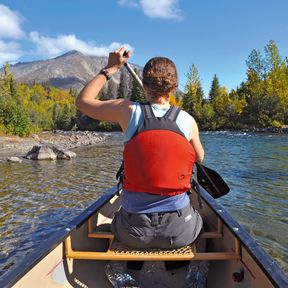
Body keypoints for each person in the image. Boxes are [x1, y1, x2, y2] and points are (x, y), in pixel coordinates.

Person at [76, 47, 206, 287]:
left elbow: (83, 102)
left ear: (144, 86)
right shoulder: (187, 120)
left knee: (113, 221)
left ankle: (118, 267)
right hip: (179, 232)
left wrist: (111, 68)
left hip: (133, 232)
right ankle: (196, 269)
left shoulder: (127, 111)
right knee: (202, 222)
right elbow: (199, 157)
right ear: (173, 88)